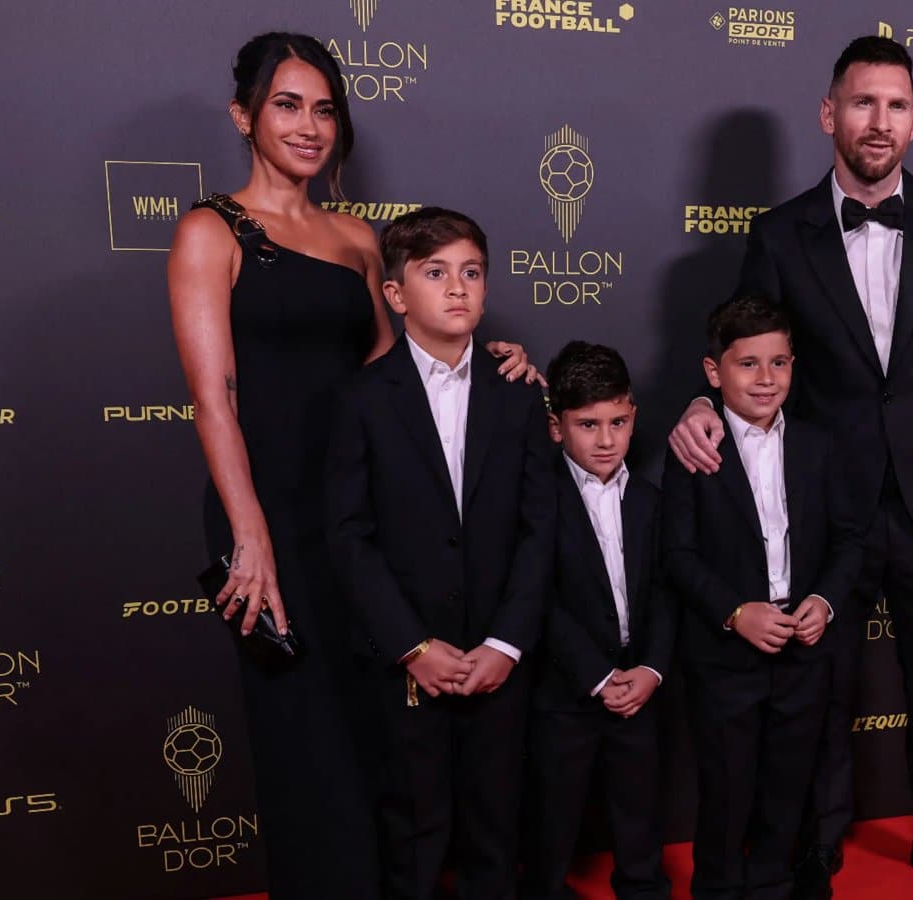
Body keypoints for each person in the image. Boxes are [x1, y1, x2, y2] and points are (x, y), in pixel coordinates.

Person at [168, 35, 533, 899]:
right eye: (287, 105)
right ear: (244, 116)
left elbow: (393, 372)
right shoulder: (208, 230)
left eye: (324, 107)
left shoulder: (358, 238)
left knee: (377, 733)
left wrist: (491, 363)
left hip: (360, 512)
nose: (308, 125)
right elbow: (214, 396)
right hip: (267, 514)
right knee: (303, 738)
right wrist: (250, 538)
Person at [667, 36, 913, 900]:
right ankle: (813, 847)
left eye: (897, 105)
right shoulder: (779, 231)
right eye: (864, 103)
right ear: (830, 114)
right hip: (821, 503)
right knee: (815, 685)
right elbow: (747, 350)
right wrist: (696, 402)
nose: (880, 121)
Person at [324, 207, 555, 900]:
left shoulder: (518, 397)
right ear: (395, 295)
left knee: (496, 831)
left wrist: (507, 642)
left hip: (498, 660)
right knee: (414, 835)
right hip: (407, 664)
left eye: (471, 273)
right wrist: (412, 646)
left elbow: (540, 530)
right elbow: (347, 535)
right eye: (435, 273)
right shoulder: (361, 399)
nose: (457, 288)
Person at [662, 295, 862, 899]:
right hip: (726, 659)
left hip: (803, 651)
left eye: (779, 362)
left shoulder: (818, 444)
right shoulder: (694, 450)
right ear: (713, 371)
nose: (766, 378)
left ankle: (775, 881)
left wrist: (824, 601)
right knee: (726, 790)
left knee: (789, 785)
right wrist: (734, 611)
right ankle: (719, 888)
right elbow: (676, 556)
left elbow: (851, 538)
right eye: (748, 364)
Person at [521, 341, 674, 900]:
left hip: (639, 685)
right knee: (551, 821)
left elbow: (665, 590)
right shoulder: (536, 499)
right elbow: (538, 598)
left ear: (634, 416)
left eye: (617, 422)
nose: (606, 440)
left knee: (640, 816)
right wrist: (596, 675)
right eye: (588, 425)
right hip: (564, 693)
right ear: (557, 426)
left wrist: (652, 669)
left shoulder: (653, 500)